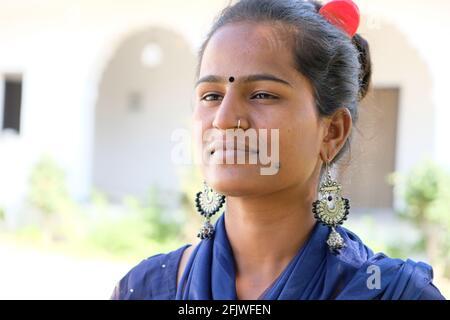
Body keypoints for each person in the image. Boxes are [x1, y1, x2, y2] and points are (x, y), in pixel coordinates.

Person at [111, 0, 445, 300]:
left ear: (332, 131)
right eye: (211, 95)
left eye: (262, 95)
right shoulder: (145, 289)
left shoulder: (392, 294)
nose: (225, 120)